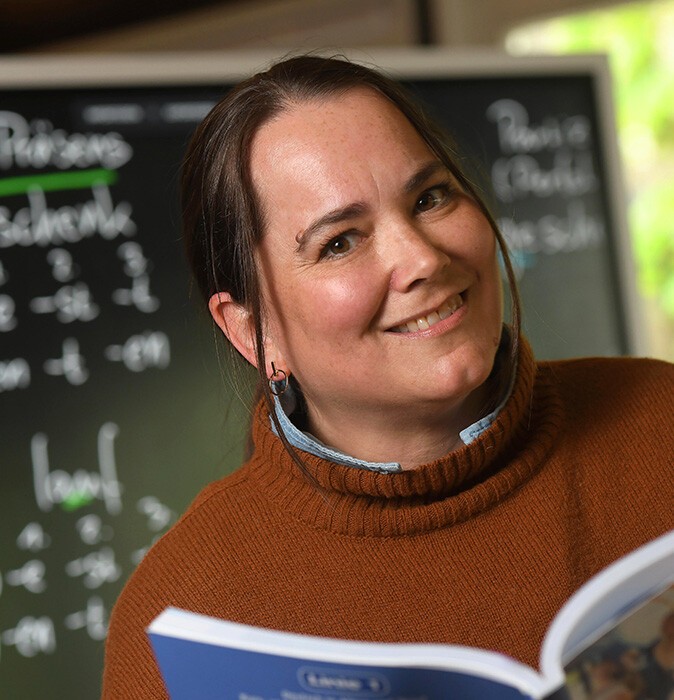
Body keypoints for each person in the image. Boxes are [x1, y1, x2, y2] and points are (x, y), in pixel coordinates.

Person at [102, 54, 674, 698]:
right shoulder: (183, 612)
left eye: (430, 198)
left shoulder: (661, 417)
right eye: (340, 241)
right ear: (249, 332)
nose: (422, 259)